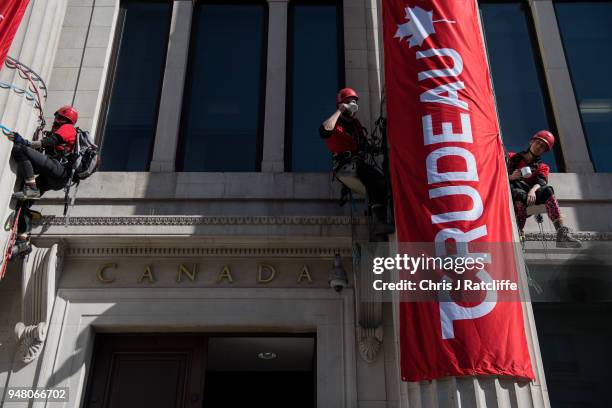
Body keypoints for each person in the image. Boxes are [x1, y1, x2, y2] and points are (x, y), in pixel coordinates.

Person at [319, 88, 393, 235]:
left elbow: (365, 146)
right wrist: (340, 110)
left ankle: (380, 219)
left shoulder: (355, 125)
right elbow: (324, 131)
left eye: (354, 102)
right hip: (346, 166)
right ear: (341, 104)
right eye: (349, 102)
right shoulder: (336, 123)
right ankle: (379, 222)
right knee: (376, 179)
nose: (353, 104)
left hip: (358, 164)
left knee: (381, 183)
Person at [7, 105, 78, 257]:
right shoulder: (63, 129)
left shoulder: (68, 128)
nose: (55, 120)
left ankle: (31, 186)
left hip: (58, 170)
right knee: (24, 202)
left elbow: (50, 142)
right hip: (53, 176)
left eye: (57, 117)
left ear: (61, 117)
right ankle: (22, 242)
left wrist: (25, 142)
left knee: (19, 149)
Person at [507, 130, 581, 248]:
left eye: (542, 147)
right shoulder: (511, 157)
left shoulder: (542, 167)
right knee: (518, 194)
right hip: (512, 192)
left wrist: (532, 190)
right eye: (538, 143)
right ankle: (518, 233)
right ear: (531, 142)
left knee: (548, 189)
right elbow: (496, 174)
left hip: (530, 195)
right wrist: (511, 177)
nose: (539, 147)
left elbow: (541, 181)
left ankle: (561, 233)